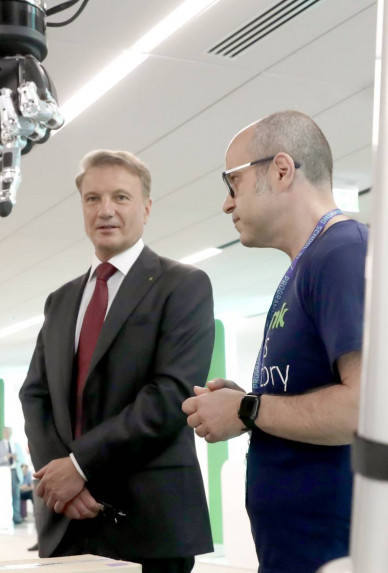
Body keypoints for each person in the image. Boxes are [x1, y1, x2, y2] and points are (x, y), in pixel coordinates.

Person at [182, 110, 366, 573]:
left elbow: (364, 409)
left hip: (332, 551)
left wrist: (248, 409)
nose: (227, 204)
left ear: (281, 170)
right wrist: (246, 404)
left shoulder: (343, 252)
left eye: (233, 183)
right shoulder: (306, 266)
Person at [20, 149, 214, 573]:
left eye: (121, 197)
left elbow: (171, 395)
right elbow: (35, 394)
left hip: (148, 525)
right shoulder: (61, 300)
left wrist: (79, 466)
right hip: (68, 523)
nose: (105, 210)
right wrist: (60, 479)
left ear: (146, 208)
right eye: (92, 198)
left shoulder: (183, 286)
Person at [0, 426, 26, 524]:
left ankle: (17, 517)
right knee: (4, 496)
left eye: (9, 432)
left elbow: (23, 460)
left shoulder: (16, 445)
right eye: (6, 432)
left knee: (16, 496)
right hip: (4, 473)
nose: (8, 433)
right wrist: (5, 458)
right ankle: (5, 518)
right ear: (3, 433)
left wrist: (17, 458)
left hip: (15, 472)